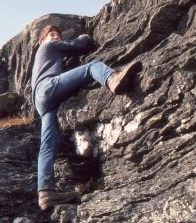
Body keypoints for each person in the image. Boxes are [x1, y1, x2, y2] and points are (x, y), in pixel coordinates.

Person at [31, 25, 142, 210]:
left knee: (47, 145)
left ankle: (45, 193)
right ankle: (112, 79)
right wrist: (84, 37)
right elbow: (79, 46)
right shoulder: (48, 47)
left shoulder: (43, 58)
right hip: (48, 88)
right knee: (92, 66)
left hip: (41, 101)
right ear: (42, 41)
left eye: (58, 34)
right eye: (52, 35)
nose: (56, 37)